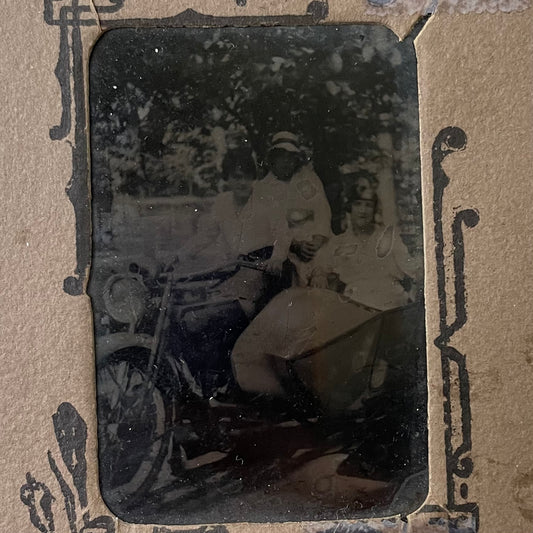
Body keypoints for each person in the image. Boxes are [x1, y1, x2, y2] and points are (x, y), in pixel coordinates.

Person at [310, 185, 420, 311]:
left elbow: (412, 268)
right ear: (350, 207)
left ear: (374, 210)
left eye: (368, 205)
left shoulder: (389, 236)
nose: (363, 210)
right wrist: (319, 274)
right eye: (358, 204)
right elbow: (320, 264)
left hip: (389, 303)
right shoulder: (339, 242)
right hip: (355, 306)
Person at [259, 131, 333, 286]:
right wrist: (296, 245)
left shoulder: (307, 178)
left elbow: (322, 212)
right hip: (286, 248)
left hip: (316, 244)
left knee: (322, 281)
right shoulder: (265, 188)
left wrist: (316, 242)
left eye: (290, 156)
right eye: (282, 156)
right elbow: (272, 226)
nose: (286, 161)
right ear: (273, 158)